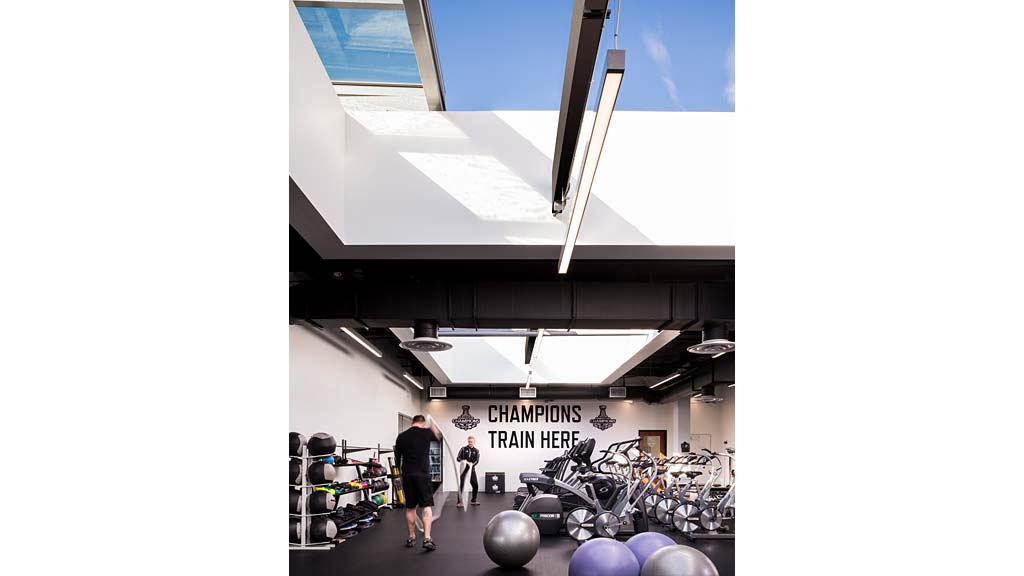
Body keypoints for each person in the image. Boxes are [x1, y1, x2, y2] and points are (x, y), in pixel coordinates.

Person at [394, 414, 441, 551]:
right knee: (426, 507)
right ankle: (427, 538)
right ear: (423, 423)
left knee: (410, 507)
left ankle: (411, 537)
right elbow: (439, 437)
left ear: (412, 423)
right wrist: (433, 425)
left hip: (407, 475)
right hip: (422, 474)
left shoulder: (401, 436)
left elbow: (397, 459)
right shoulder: (426, 433)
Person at [456, 436, 480, 507]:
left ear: (474, 442)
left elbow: (477, 461)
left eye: (471, 442)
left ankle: (473, 500)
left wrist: (471, 464)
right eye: (469, 442)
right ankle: (459, 502)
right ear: (468, 441)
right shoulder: (463, 449)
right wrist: (464, 461)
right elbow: (458, 458)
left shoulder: (476, 451)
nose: (470, 443)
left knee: (475, 485)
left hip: (472, 470)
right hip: (463, 470)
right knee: (462, 485)